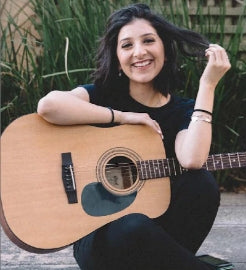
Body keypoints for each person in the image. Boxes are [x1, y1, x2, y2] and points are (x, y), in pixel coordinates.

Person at [37, 3, 231, 270]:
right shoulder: (102, 95)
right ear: (117, 57)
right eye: (127, 45)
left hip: (155, 235)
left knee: (202, 184)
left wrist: (207, 85)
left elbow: (192, 159)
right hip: (100, 237)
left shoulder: (182, 109)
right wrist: (123, 117)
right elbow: (49, 106)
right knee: (132, 225)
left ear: (164, 48)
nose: (139, 52)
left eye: (149, 40)